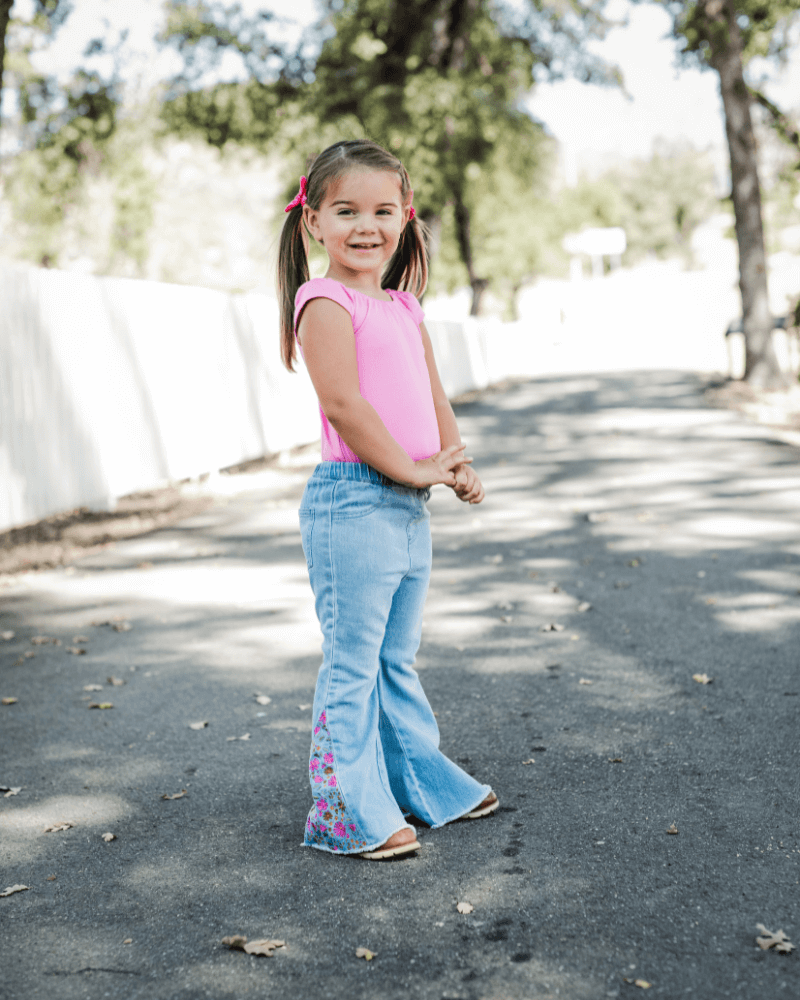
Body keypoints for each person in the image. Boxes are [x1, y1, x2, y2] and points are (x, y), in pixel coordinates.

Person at [277, 139, 498, 860]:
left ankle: (422, 786)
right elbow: (345, 404)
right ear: (314, 222)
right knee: (353, 663)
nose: (365, 226)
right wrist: (412, 469)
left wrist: (453, 461)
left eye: (381, 210)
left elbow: (432, 397)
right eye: (346, 210)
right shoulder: (325, 301)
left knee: (395, 659)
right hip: (353, 505)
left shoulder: (403, 305)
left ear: (405, 217)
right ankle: (347, 811)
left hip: (406, 504)